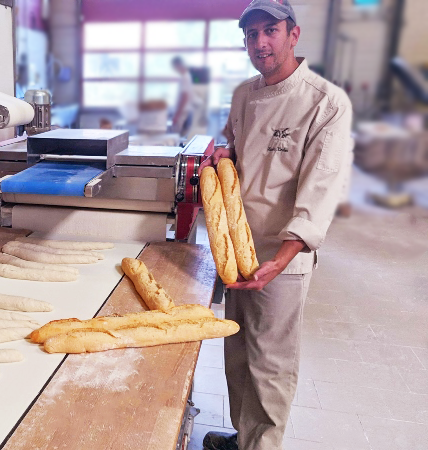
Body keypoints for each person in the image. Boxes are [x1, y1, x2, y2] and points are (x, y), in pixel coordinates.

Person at [198, 1, 353, 449]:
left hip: (283, 256)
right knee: (239, 354)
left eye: (270, 31)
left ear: (293, 34)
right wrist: (226, 155)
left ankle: (261, 445)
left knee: (271, 363)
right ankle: (244, 437)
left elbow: (321, 188)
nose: (261, 42)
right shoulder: (245, 94)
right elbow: (241, 150)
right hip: (239, 246)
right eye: (251, 34)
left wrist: (283, 258)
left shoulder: (324, 103)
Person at [170, 56, 202, 136]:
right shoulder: (187, 76)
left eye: (174, 67)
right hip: (187, 112)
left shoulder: (185, 77)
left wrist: (177, 115)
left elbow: (185, 96)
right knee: (181, 136)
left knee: (178, 136)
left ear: (178, 65)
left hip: (184, 113)